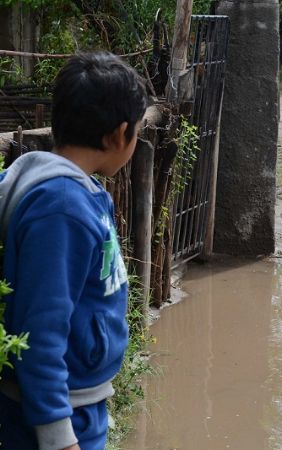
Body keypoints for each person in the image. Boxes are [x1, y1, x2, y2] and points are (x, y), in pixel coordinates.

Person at [0, 52, 147, 450]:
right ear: (119, 134)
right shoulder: (62, 209)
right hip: (55, 417)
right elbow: (40, 332)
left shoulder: (79, 192)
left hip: (80, 403)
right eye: (138, 131)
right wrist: (60, 438)